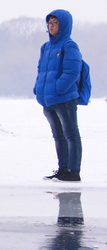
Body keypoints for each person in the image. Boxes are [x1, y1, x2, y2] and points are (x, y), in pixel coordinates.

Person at [35, 9, 83, 182]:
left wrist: (58, 88)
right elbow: (41, 70)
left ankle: (74, 171)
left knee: (71, 134)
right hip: (47, 100)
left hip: (64, 98)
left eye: (55, 23)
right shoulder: (46, 47)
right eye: (49, 23)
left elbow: (72, 72)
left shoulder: (69, 45)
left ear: (63, 25)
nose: (51, 26)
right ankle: (63, 169)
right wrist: (38, 89)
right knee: (58, 136)